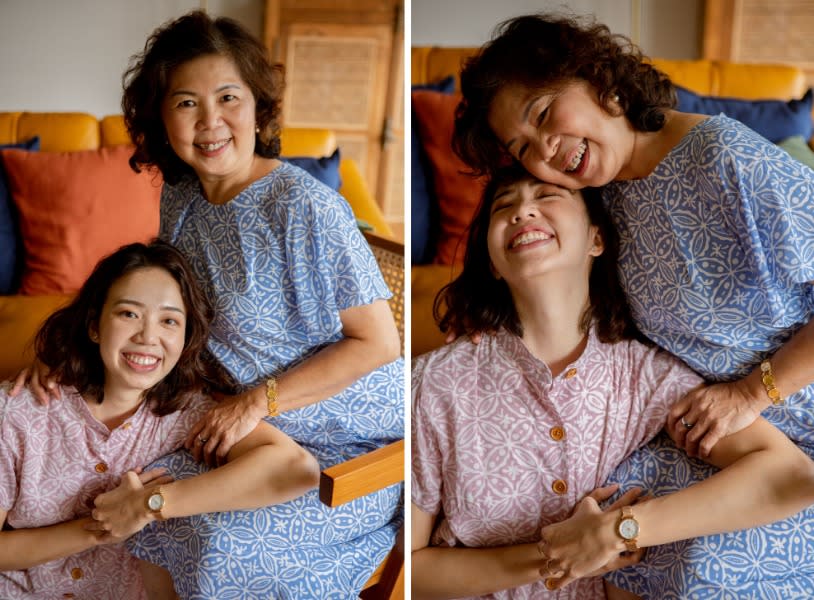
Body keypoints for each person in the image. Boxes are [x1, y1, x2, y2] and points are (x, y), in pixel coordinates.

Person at [12, 10, 404, 598]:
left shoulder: (305, 207)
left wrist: (256, 403)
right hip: (233, 429)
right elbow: (156, 293)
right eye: (187, 102)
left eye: (228, 97)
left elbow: (379, 343)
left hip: (342, 451)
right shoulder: (181, 194)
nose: (210, 121)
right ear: (161, 115)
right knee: (119, 502)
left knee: (214, 543)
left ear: (257, 106)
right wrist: (63, 353)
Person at [450, 12, 814, 597]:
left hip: (784, 426)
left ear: (597, 78)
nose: (545, 148)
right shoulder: (605, 195)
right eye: (523, 148)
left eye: (544, 114)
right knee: (576, 507)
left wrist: (753, 393)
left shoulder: (724, 158)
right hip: (726, 436)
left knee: (701, 564)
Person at [411, 165, 814, 600]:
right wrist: (557, 555)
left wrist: (617, 532)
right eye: (503, 205)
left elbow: (790, 475)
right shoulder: (434, 383)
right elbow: (410, 572)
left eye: (547, 195)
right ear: (491, 261)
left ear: (596, 239)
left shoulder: (646, 377)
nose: (522, 210)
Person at [0, 240, 319, 599]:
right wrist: (102, 527)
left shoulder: (186, 416)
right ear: (94, 325)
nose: (148, 337)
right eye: (128, 314)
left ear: (185, 339)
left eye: (169, 321)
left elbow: (296, 468)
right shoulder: (18, 412)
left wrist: (151, 504)